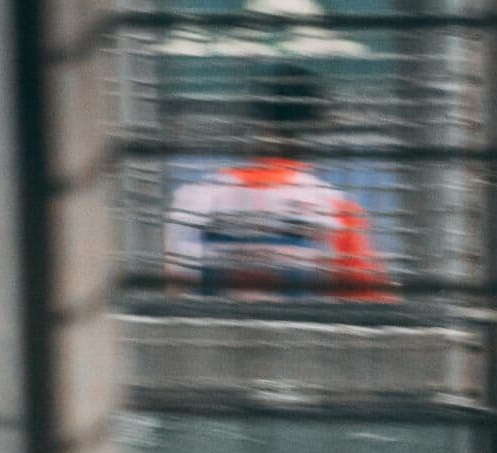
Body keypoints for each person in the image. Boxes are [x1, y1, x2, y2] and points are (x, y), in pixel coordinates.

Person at [164, 67, 392, 301]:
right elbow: (371, 305)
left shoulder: (192, 201)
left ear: (255, 125)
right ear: (316, 131)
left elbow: (171, 294)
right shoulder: (336, 210)